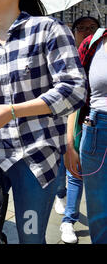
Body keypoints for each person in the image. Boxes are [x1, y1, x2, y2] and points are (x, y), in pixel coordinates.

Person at [0, 0, 87, 244]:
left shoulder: (48, 30)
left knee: (30, 237)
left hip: (36, 160)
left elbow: (74, 89)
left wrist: (12, 111)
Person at [56, 16, 100, 244]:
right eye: (81, 28)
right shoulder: (66, 54)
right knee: (73, 171)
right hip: (71, 119)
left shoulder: (97, 51)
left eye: (91, 28)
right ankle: (67, 218)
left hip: (90, 120)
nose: (86, 32)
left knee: (78, 171)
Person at [67, 26, 107, 244]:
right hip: (95, 132)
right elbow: (77, 96)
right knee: (99, 213)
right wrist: (70, 144)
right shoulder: (93, 43)